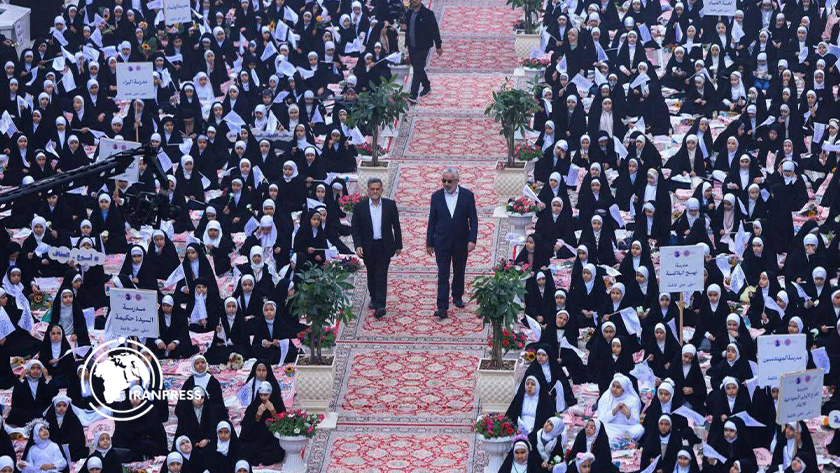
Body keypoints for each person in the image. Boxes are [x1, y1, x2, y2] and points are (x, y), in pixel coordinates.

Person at [426, 168, 478, 319]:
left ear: (457, 181)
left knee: (459, 270)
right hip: (441, 242)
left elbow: (473, 220)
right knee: (443, 274)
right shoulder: (436, 197)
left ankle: (457, 295)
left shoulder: (467, 196)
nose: (446, 184)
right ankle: (442, 307)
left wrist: (472, 240)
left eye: (449, 181)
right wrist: (429, 242)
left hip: (461, 241)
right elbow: (432, 220)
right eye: (444, 180)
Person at [351, 177, 402, 318]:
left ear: (381, 190)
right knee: (372, 273)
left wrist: (398, 245)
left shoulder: (390, 205)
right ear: (368, 190)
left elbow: (396, 226)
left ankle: (380, 305)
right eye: (372, 189)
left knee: (381, 274)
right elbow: (355, 228)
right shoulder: (360, 207)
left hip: (384, 245)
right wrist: (358, 245)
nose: (375, 191)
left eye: (377, 189)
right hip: (368, 246)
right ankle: (373, 297)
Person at [402, 0, 442, 102]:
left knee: (417, 68)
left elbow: (434, 30)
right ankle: (426, 85)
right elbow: (407, 28)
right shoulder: (409, 13)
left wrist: (438, 45)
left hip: (423, 47)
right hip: (412, 45)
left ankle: (413, 95)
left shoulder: (428, 14)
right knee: (418, 67)